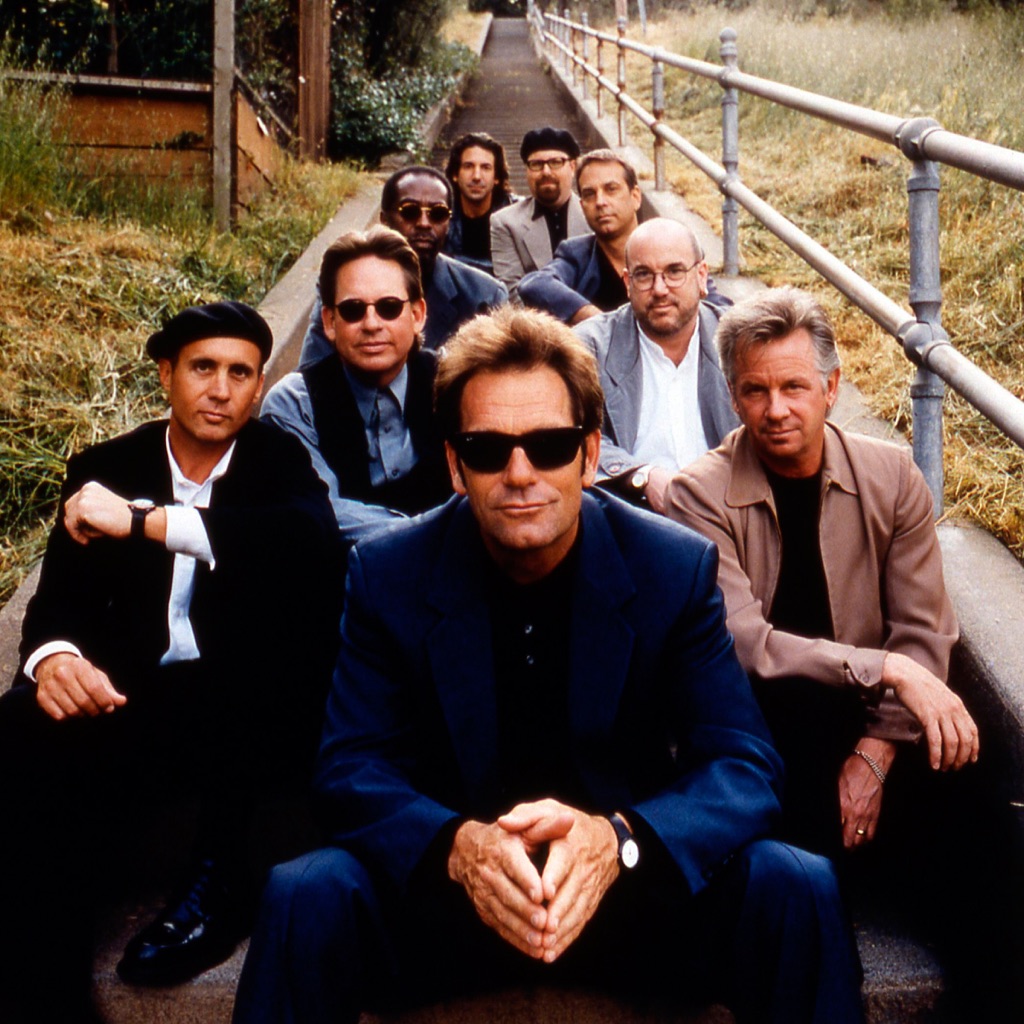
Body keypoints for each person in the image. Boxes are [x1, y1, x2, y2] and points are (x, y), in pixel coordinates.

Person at [232, 306, 864, 1024]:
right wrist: (456, 846)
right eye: (487, 449)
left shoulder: (671, 566)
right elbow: (349, 766)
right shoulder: (388, 573)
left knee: (795, 881)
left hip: (627, 896)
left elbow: (744, 764)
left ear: (590, 455)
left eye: (550, 445)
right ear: (454, 465)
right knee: (304, 891)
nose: (520, 473)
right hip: (453, 898)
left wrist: (619, 840)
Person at [0, 302, 344, 1024]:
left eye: (240, 373)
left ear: (259, 386)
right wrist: (55, 659)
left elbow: (305, 539)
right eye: (202, 368)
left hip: (245, 713)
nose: (220, 390)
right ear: (166, 375)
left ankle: (220, 887)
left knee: (259, 667)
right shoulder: (106, 467)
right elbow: (55, 606)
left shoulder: (278, 461)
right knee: (21, 724)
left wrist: (144, 522)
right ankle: (49, 989)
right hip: (132, 702)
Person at [666, 287, 979, 857]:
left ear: (831, 388)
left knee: (964, 769)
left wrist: (877, 751)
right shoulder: (697, 495)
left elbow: (923, 631)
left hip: (872, 717)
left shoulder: (892, 477)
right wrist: (885, 667)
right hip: (762, 720)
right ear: (732, 397)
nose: (775, 410)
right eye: (755, 390)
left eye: (794, 387)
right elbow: (747, 646)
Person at [261, 227, 451, 548]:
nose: (372, 324)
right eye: (353, 310)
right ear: (329, 322)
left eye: (389, 307)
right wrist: (431, 535)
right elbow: (322, 509)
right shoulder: (294, 403)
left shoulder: (453, 383)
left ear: (417, 314)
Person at [575, 217, 738, 513]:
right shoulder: (588, 348)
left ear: (701, 276)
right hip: (631, 512)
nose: (660, 289)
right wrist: (642, 476)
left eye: (674, 272)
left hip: (730, 511)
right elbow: (574, 435)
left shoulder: (740, 341)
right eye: (644, 275)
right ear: (628, 283)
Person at [300, 166, 507, 365]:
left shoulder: (485, 295)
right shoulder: (346, 284)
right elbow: (313, 370)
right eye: (409, 211)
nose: (424, 223)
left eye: (438, 213)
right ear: (384, 220)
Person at [519, 149, 730, 324]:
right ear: (582, 206)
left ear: (635, 196)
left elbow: (720, 310)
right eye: (590, 194)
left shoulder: (675, 246)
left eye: (611, 189)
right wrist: (596, 320)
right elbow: (534, 284)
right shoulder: (577, 254)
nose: (600, 202)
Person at [489, 126, 591, 301]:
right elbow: (512, 293)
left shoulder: (594, 214)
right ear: (527, 170)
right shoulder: (505, 223)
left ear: (572, 167)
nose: (546, 172)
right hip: (533, 318)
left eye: (556, 162)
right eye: (536, 164)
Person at [443, 131, 517, 275]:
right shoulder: (440, 214)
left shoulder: (516, 216)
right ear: (455, 174)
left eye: (485, 168)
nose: (476, 176)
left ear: (496, 177)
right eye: (468, 166)